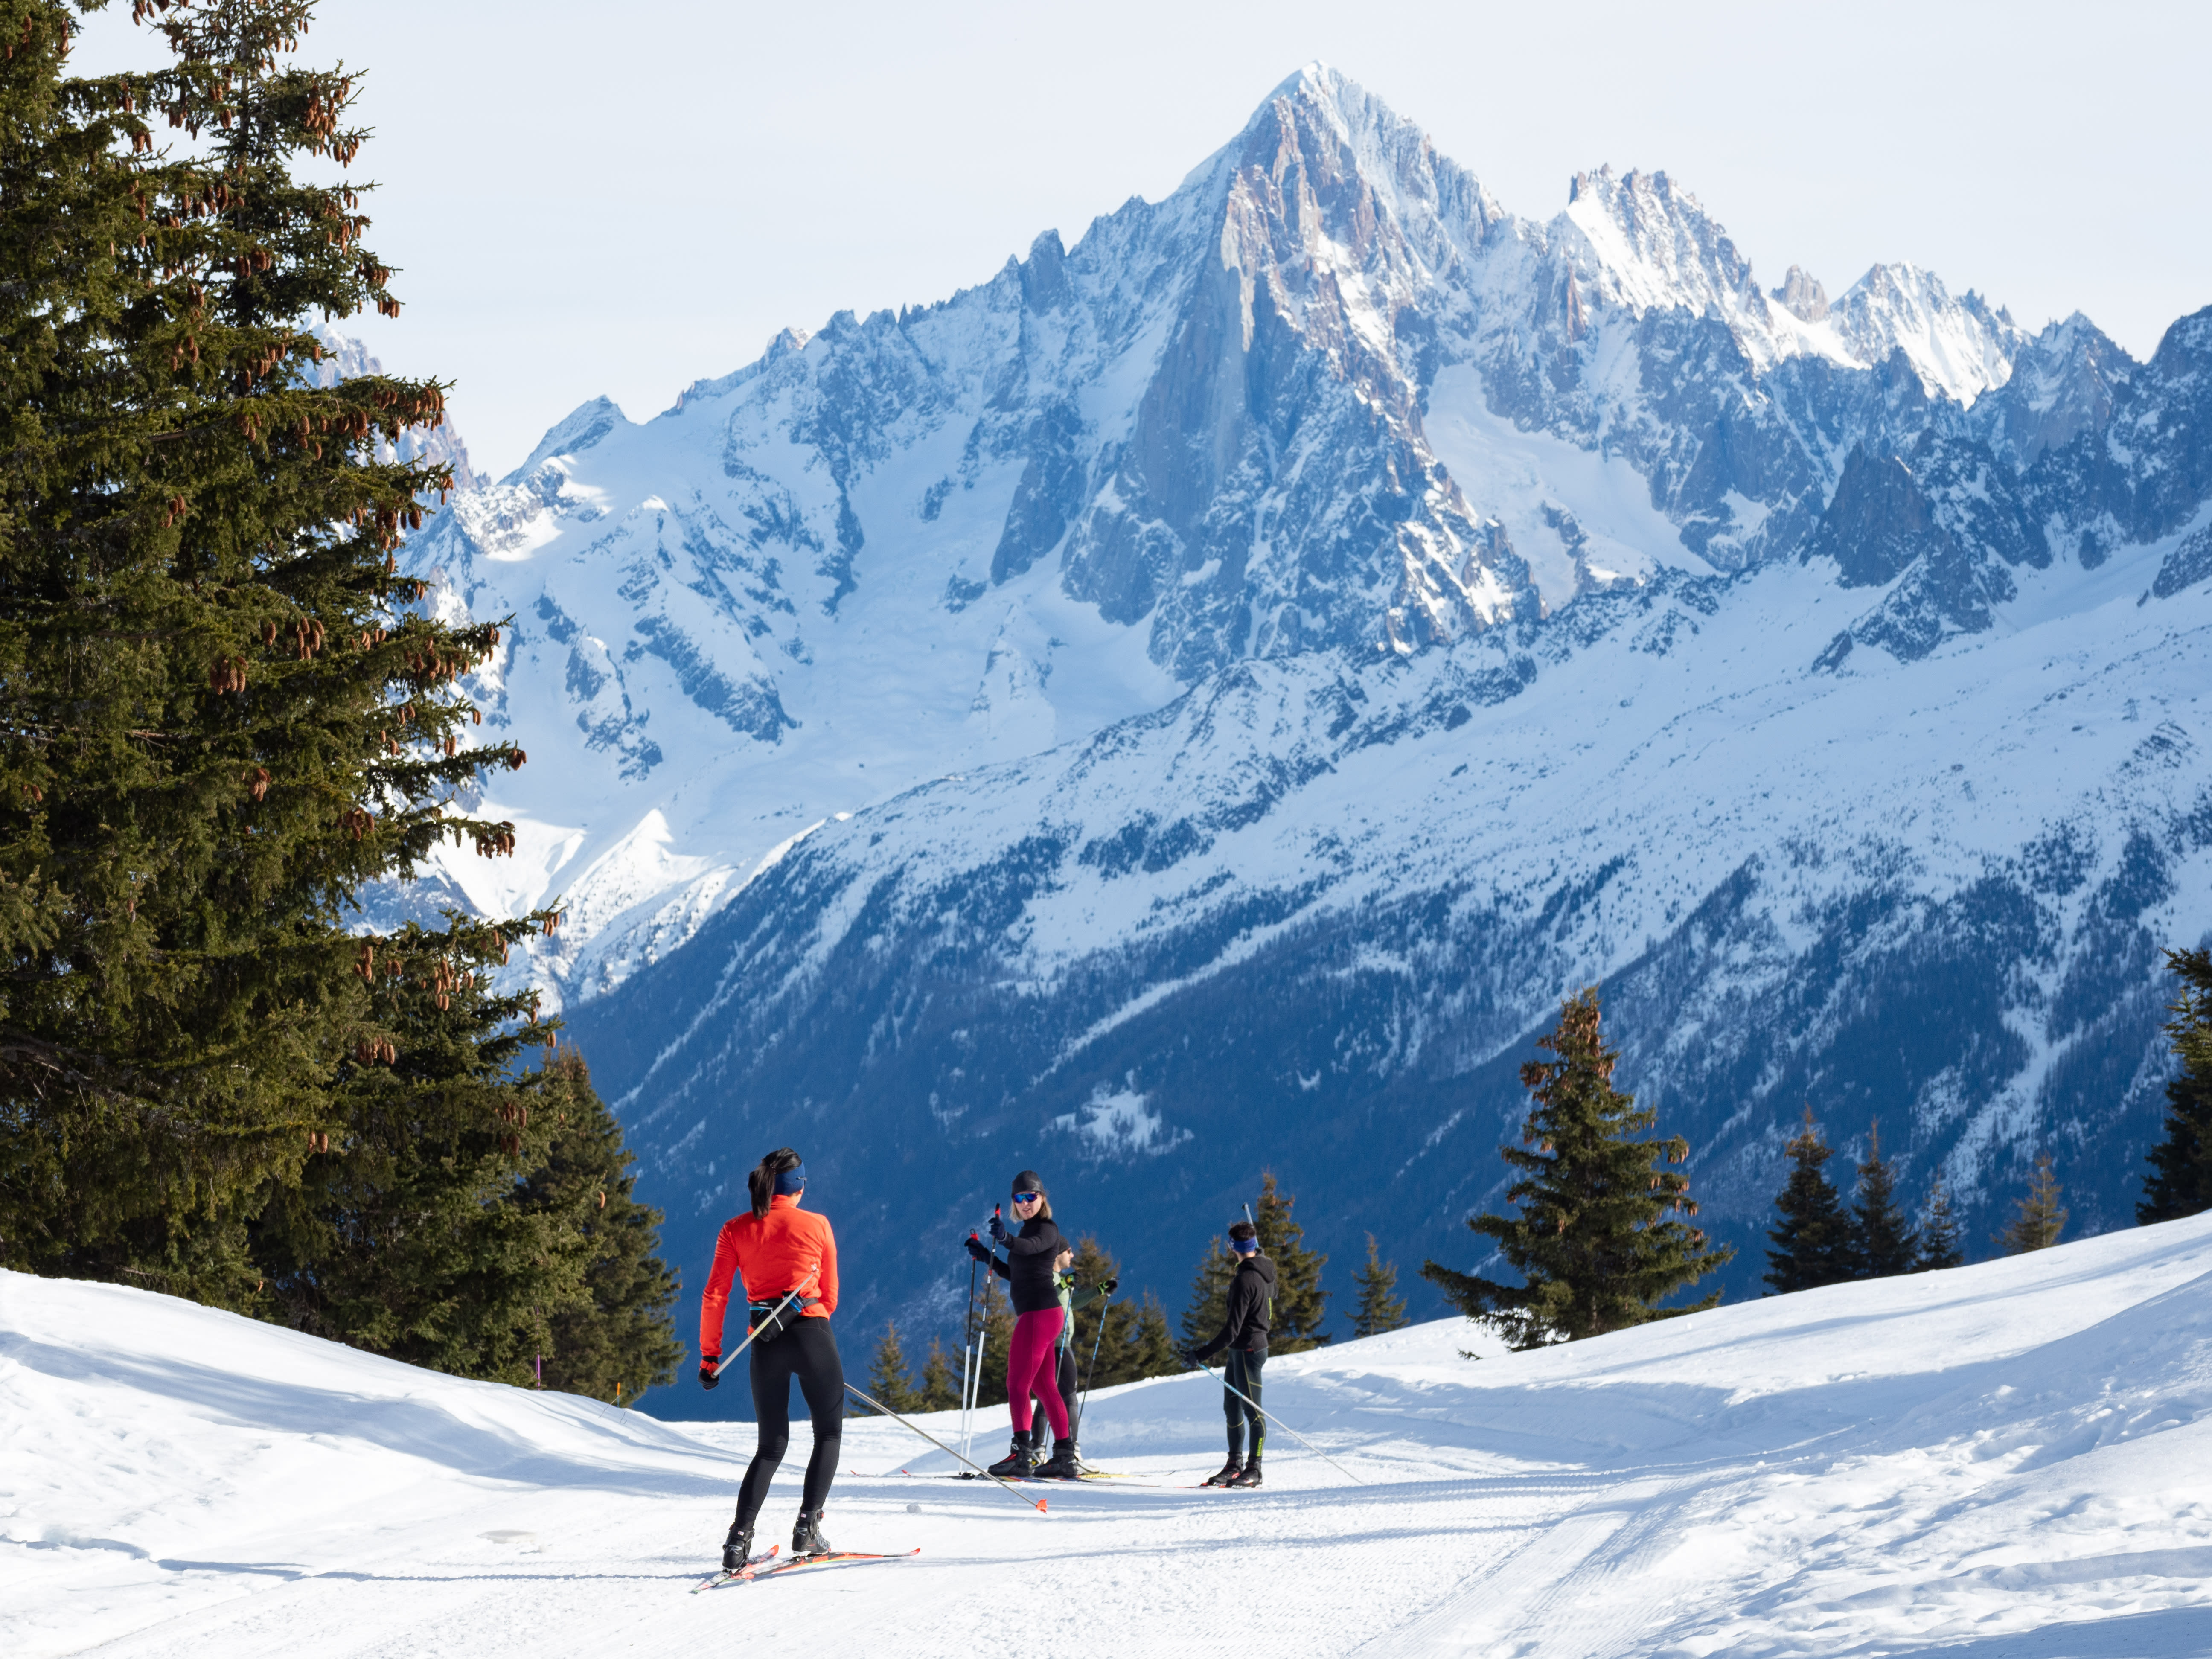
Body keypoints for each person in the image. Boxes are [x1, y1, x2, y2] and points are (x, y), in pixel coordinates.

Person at [699, 1147, 842, 1570]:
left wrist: (711, 1357)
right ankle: (807, 1527)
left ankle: (737, 1541)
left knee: (771, 1446)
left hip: (763, 1343)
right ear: (798, 1185)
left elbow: (716, 1295)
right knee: (828, 1435)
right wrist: (812, 1336)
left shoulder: (734, 1229)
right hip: (811, 1332)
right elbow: (829, 1295)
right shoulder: (817, 1224)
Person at [962, 1169, 1079, 1479]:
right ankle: (1065, 1457)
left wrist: (1005, 1238)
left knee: (1017, 1384)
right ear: (1014, 1203)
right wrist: (987, 1255)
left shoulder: (1047, 1230)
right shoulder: (1026, 1232)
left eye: (1032, 1196)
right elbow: (1016, 1274)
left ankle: (1022, 1455)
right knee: (1043, 1385)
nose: (1026, 1203)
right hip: (1039, 1314)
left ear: (1042, 1198)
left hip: (1039, 1315)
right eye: (1020, 1198)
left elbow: (1026, 1248)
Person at [978, 1239, 1117, 1473]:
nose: (1072, 1256)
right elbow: (1044, 1294)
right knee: (1055, 1393)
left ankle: (1048, 1449)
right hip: (1054, 1342)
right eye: (1068, 1252)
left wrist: (1098, 1291)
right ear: (1056, 1255)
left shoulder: (1056, 1278)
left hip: (1061, 1341)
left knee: (1049, 1391)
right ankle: (1056, 1449)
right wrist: (1063, 1283)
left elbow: (1072, 1304)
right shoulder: (1047, 1277)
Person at [1184, 1220, 1273, 1488]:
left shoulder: (1245, 1279)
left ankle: (1254, 1468)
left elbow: (1232, 1330)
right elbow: (1273, 1292)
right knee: (1232, 1408)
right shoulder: (1265, 1270)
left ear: (1232, 1246)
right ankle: (1235, 1464)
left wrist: (1200, 1354)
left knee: (1253, 1411)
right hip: (1243, 1350)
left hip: (1248, 1349)